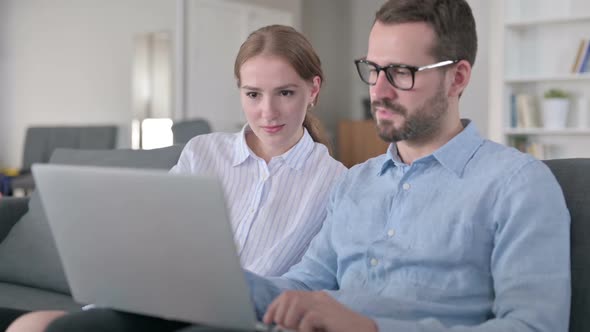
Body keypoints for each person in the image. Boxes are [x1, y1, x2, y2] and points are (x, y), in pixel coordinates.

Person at [15, 0, 572, 331]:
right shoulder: (357, 185)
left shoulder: (517, 185)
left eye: (401, 72)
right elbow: (300, 283)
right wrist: (195, 278)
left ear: (458, 77)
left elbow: (535, 325)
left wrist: (372, 326)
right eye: (372, 69)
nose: (377, 90)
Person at [4, 24, 346, 332]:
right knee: (30, 326)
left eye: (284, 93)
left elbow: (315, 284)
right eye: (253, 94)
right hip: (158, 305)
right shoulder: (203, 152)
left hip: (243, 322)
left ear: (313, 89)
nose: (267, 112)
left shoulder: (337, 184)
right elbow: (154, 241)